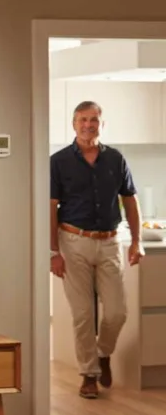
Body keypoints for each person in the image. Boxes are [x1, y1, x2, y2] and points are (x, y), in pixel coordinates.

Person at [50, 100, 143, 399]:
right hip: (72, 241)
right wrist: (53, 252)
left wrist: (137, 240)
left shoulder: (116, 159)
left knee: (117, 312)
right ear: (73, 124)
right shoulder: (58, 162)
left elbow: (130, 200)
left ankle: (103, 353)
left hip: (110, 242)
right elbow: (50, 207)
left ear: (102, 124)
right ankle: (89, 375)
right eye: (83, 119)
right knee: (82, 314)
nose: (88, 125)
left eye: (94, 120)